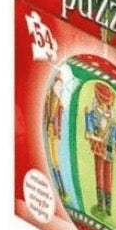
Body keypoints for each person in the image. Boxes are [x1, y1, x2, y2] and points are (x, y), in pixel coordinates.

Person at [85, 83, 116, 219]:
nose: (107, 105)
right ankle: (101, 205)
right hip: (99, 146)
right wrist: (90, 132)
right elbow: (89, 127)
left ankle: (108, 207)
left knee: (108, 175)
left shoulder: (111, 115)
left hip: (109, 147)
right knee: (99, 173)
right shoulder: (94, 113)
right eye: (104, 102)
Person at [45, 73, 69, 202]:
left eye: (60, 85)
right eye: (58, 84)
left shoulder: (60, 103)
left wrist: (58, 132)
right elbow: (46, 113)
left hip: (54, 133)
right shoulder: (49, 97)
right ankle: (57, 188)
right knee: (51, 159)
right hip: (48, 131)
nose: (59, 87)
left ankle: (62, 189)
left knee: (56, 161)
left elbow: (59, 120)